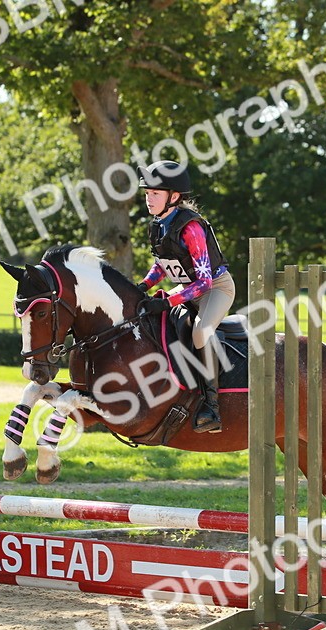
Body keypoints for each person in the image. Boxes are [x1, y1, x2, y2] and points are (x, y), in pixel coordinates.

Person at [135, 160, 234, 434]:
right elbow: (162, 264)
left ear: (174, 196)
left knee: (201, 332)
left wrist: (167, 301)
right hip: (187, 289)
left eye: (155, 193)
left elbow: (203, 281)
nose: (148, 199)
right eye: (147, 193)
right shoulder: (159, 225)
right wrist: (143, 286)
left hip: (215, 288)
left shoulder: (191, 228)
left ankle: (212, 408)